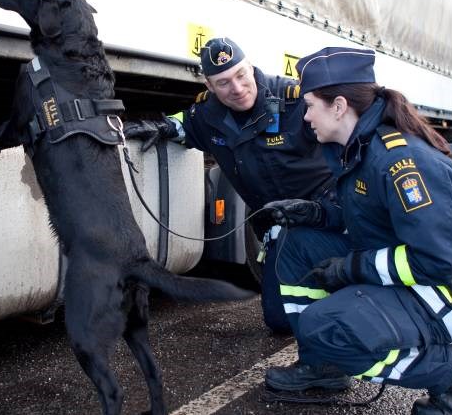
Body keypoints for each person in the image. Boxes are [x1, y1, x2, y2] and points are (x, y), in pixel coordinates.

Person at [261, 45, 452, 415]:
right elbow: (372, 221)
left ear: (338, 106)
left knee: (328, 328)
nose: (305, 116)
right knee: (296, 242)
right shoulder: (358, 149)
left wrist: (352, 268)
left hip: (447, 291)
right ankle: (322, 366)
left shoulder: (401, 164)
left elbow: (437, 259)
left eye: (309, 105)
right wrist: (316, 213)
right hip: (416, 272)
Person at [124, 37, 338, 348]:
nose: (236, 88)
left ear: (250, 67)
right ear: (210, 86)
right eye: (223, 82)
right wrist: (165, 127)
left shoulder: (294, 98)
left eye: (240, 75)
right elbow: (189, 123)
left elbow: (345, 136)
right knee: (280, 321)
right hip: (280, 226)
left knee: (344, 288)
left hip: (322, 215)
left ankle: (340, 339)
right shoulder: (209, 115)